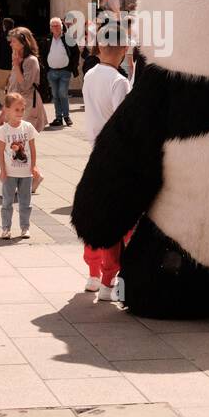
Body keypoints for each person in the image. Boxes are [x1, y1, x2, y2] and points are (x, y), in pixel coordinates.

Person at [79, 15, 130, 301]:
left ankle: (93, 273)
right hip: (116, 157)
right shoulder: (119, 82)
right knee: (116, 220)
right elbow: (124, 123)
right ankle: (110, 282)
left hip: (95, 154)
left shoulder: (90, 75)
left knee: (94, 215)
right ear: (123, 49)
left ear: (99, 47)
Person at [0, 92, 40, 240]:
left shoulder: (28, 127)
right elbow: (0, 153)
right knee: (7, 202)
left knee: (25, 203)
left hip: (26, 174)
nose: (20, 113)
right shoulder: (3, 130)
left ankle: (25, 227)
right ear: (7, 110)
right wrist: (3, 171)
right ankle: (6, 229)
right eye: (16, 109)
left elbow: (33, 149)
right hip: (9, 174)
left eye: (22, 109)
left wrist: (34, 167)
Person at [5, 27, 47, 133]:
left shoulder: (31, 61)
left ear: (23, 43)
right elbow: (12, 83)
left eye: (13, 41)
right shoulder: (16, 57)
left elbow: (25, 86)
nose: (11, 44)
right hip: (15, 105)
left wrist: (16, 65)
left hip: (27, 106)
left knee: (25, 142)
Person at [43, 16, 80, 128]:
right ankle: (58, 117)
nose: (55, 28)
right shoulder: (47, 39)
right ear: (50, 28)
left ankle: (66, 116)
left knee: (62, 93)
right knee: (55, 95)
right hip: (52, 72)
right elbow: (43, 54)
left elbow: (76, 53)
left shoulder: (68, 39)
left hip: (65, 71)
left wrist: (71, 67)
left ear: (61, 26)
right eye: (53, 26)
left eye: (57, 25)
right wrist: (46, 68)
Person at [0, 17, 15, 103]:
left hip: (1, 67)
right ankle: (11, 106)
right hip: (14, 66)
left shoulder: (0, 37)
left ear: (4, 26)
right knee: (11, 88)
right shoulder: (17, 37)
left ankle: (6, 105)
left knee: (0, 88)